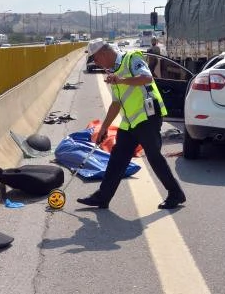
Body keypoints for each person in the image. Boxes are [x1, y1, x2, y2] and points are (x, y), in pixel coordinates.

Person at [77, 38, 186, 210]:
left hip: (148, 116)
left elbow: (146, 78)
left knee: (153, 155)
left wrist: (120, 79)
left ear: (104, 52)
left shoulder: (131, 59)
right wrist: (104, 128)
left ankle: (175, 193)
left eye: (96, 58)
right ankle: (103, 197)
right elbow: (116, 104)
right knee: (118, 157)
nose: (95, 62)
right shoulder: (113, 72)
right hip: (130, 122)